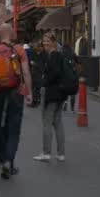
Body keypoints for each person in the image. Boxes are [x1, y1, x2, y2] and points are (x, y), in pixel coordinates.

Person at [0, 23, 32, 179]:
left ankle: (4, 157)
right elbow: (25, 71)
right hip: (15, 92)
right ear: (11, 34)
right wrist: (29, 93)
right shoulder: (18, 50)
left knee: (0, 126)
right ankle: (8, 162)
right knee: (14, 128)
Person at [33, 32, 68, 162]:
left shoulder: (53, 56)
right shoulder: (59, 55)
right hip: (60, 94)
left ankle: (46, 153)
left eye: (47, 41)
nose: (45, 43)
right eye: (44, 41)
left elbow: (54, 74)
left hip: (52, 94)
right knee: (58, 122)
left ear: (54, 42)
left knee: (47, 122)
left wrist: (44, 81)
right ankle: (61, 153)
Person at [28, 40, 47, 108]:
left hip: (40, 72)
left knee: (38, 87)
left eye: (40, 47)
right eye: (38, 47)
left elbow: (45, 64)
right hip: (34, 72)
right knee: (33, 87)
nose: (39, 48)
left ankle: (37, 101)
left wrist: (36, 65)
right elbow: (30, 60)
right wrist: (31, 62)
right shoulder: (34, 52)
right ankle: (34, 101)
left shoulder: (45, 54)